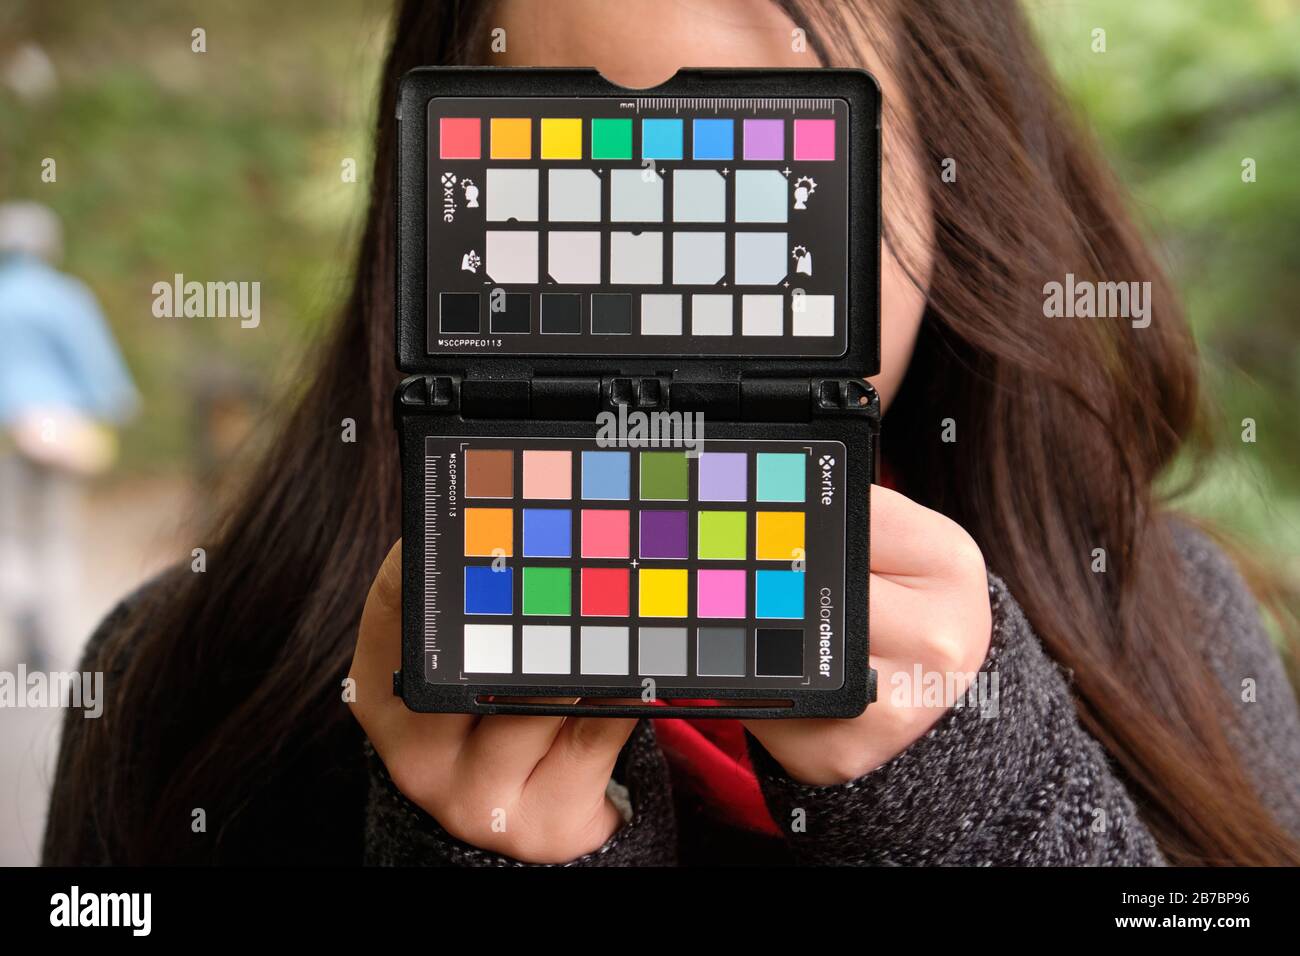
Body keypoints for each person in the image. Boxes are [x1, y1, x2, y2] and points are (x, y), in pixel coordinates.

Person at [43, 0, 1299, 866]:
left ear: (954, 191)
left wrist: (996, 807)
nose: (670, 330)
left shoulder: (1166, 629)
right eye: (570, 177)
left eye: (774, 186)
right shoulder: (186, 677)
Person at [0, 202, 137, 671]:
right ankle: (46, 630)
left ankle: (22, 624)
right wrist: (115, 405)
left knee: (10, 532)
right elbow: (96, 365)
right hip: (59, 430)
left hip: (9, 433)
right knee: (53, 530)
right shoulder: (64, 297)